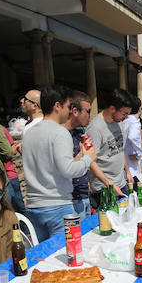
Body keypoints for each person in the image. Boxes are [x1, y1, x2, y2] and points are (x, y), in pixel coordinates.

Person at [20, 85, 97, 241]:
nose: (69, 111)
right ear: (57, 106)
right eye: (68, 107)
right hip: (58, 206)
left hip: (34, 206)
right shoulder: (60, 132)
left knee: (44, 259)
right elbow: (68, 170)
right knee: (68, 255)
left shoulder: (29, 132)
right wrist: (87, 158)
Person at [85, 88, 132, 209]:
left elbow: (120, 150)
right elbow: (90, 161)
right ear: (112, 108)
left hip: (121, 184)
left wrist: (127, 171)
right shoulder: (95, 128)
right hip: (104, 189)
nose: (126, 117)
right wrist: (109, 184)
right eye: (124, 113)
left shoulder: (119, 122)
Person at [63, 90, 93, 219]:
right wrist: (83, 153)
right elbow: (66, 170)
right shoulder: (62, 135)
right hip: (71, 199)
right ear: (75, 111)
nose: (90, 115)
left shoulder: (80, 131)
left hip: (84, 194)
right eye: (88, 111)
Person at [123, 96, 142, 185]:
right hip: (132, 167)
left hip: (124, 163)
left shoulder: (124, 120)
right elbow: (133, 137)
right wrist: (139, 154)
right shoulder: (135, 121)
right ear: (140, 108)